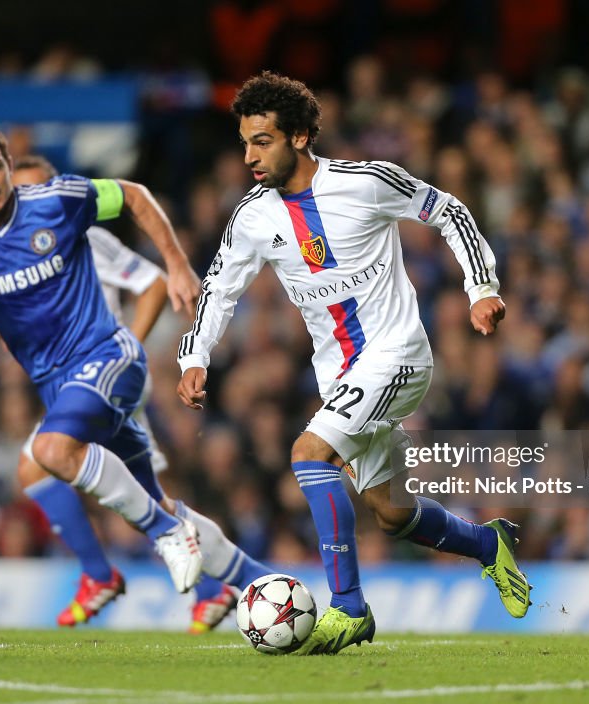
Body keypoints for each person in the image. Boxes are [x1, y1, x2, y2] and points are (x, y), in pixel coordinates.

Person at [177, 72, 531, 655]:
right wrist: (196, 355)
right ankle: (489, 546)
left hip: (398, 355)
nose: (249, 156)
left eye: (261, 141)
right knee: (392, 515)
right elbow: (220, 287)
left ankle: (349, 608)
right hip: (338, 373)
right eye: (244, 142)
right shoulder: (253, 216)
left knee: (307, 453)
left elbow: (449, 211)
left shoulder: (365, 182)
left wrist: (481, 289)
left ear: (298, 137)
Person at [0, 117, 209, 594]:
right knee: (145, 497)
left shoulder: (57, 200)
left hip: (109, 355)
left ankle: (168, 535)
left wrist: (176, 265)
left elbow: (133, 195)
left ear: (9, 166)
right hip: (55, 384)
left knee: (49, 453)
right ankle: (235, 587)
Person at [10, 155, 268, 630]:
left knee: (38, 462)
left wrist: (124, 346)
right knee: (147, 502)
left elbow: (151, 284)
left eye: (34, 190)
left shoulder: (84, 236)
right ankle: (235, 585)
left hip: (104, 375)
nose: (26, 203)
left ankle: (97, 573)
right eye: (18, 193)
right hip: (76, 381)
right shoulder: (18, 253)